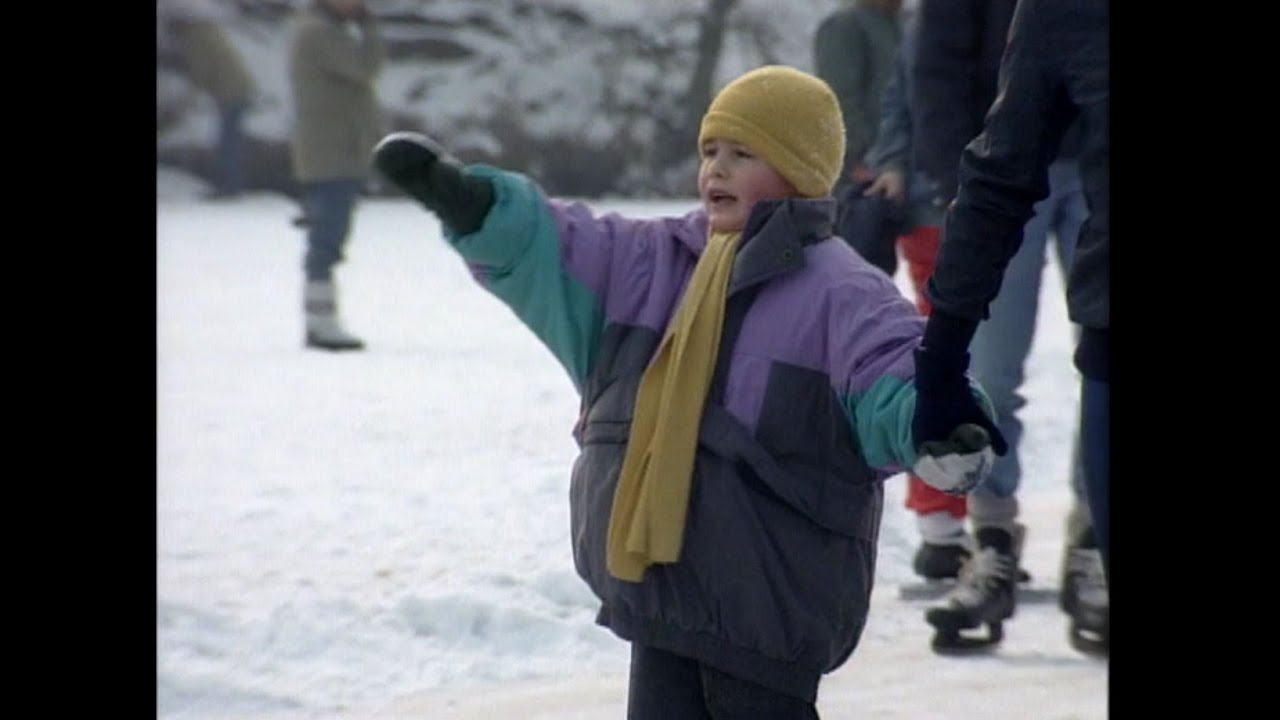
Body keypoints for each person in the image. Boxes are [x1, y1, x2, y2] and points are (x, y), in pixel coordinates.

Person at [372, 65, 999, 718]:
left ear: (798, 169)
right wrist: (477, 208)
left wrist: (938, 419)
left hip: (769, 608)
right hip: (664, 597)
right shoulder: (657, 262)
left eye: (742, 154)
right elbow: (560, 246)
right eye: (709, 152)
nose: (716, 171)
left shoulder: (839, 291)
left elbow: (896, 367)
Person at [908, 0, 1110, 653]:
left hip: (1081, 168)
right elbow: (935, 64)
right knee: (991, 372)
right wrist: (939, 356)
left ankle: (1089, 546)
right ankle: (990, 540)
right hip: (1011, 151)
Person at [287, 0, 385, 351]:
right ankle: (320, 322)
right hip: (331, 155)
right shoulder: (318, 33)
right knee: (326, 238)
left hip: (336, 153)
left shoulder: (323, 31)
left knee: (329, 235)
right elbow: (365, 68)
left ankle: (322, 318)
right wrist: (370, 28)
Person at [814, 0, 904, 257]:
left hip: (893, 166)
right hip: (858, 172)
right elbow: (839, 98)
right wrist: (858, 154)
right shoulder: (844, 26)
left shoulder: (899, 25)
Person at [161, 0, 257, 199]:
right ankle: (232, 182)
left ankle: (229, 185)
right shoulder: (205, 30)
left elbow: (200, 71)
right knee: (230, 140)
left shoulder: (195, 37)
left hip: (232, 92)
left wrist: (186, 102)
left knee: (227, 141)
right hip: (237, 89)